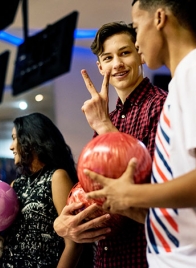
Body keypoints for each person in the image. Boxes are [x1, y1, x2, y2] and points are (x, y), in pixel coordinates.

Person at [84, 1, 196, 267]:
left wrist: (128, 195)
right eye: (107, 58)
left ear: (159, 18)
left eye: (136, 28)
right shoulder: (183, 81)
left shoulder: (195, 72)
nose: (138, 43)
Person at [54, 21, 167, 267]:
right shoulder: (111, 117)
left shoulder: (161, 106)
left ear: (141, 55)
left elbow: (152, 188)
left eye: (125, 53)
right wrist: (64, 223)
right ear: (100, 66)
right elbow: (93, 188)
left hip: (143, 256)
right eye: (108, 57)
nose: (117, 64)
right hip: (106, 258)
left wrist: (104, 125)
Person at [0, 112, 88, 268]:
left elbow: (73, 243)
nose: (11, 146)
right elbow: (10, 243)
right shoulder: (16, 185)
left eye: (14, 138)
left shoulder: (56, 177)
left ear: (31, 139)